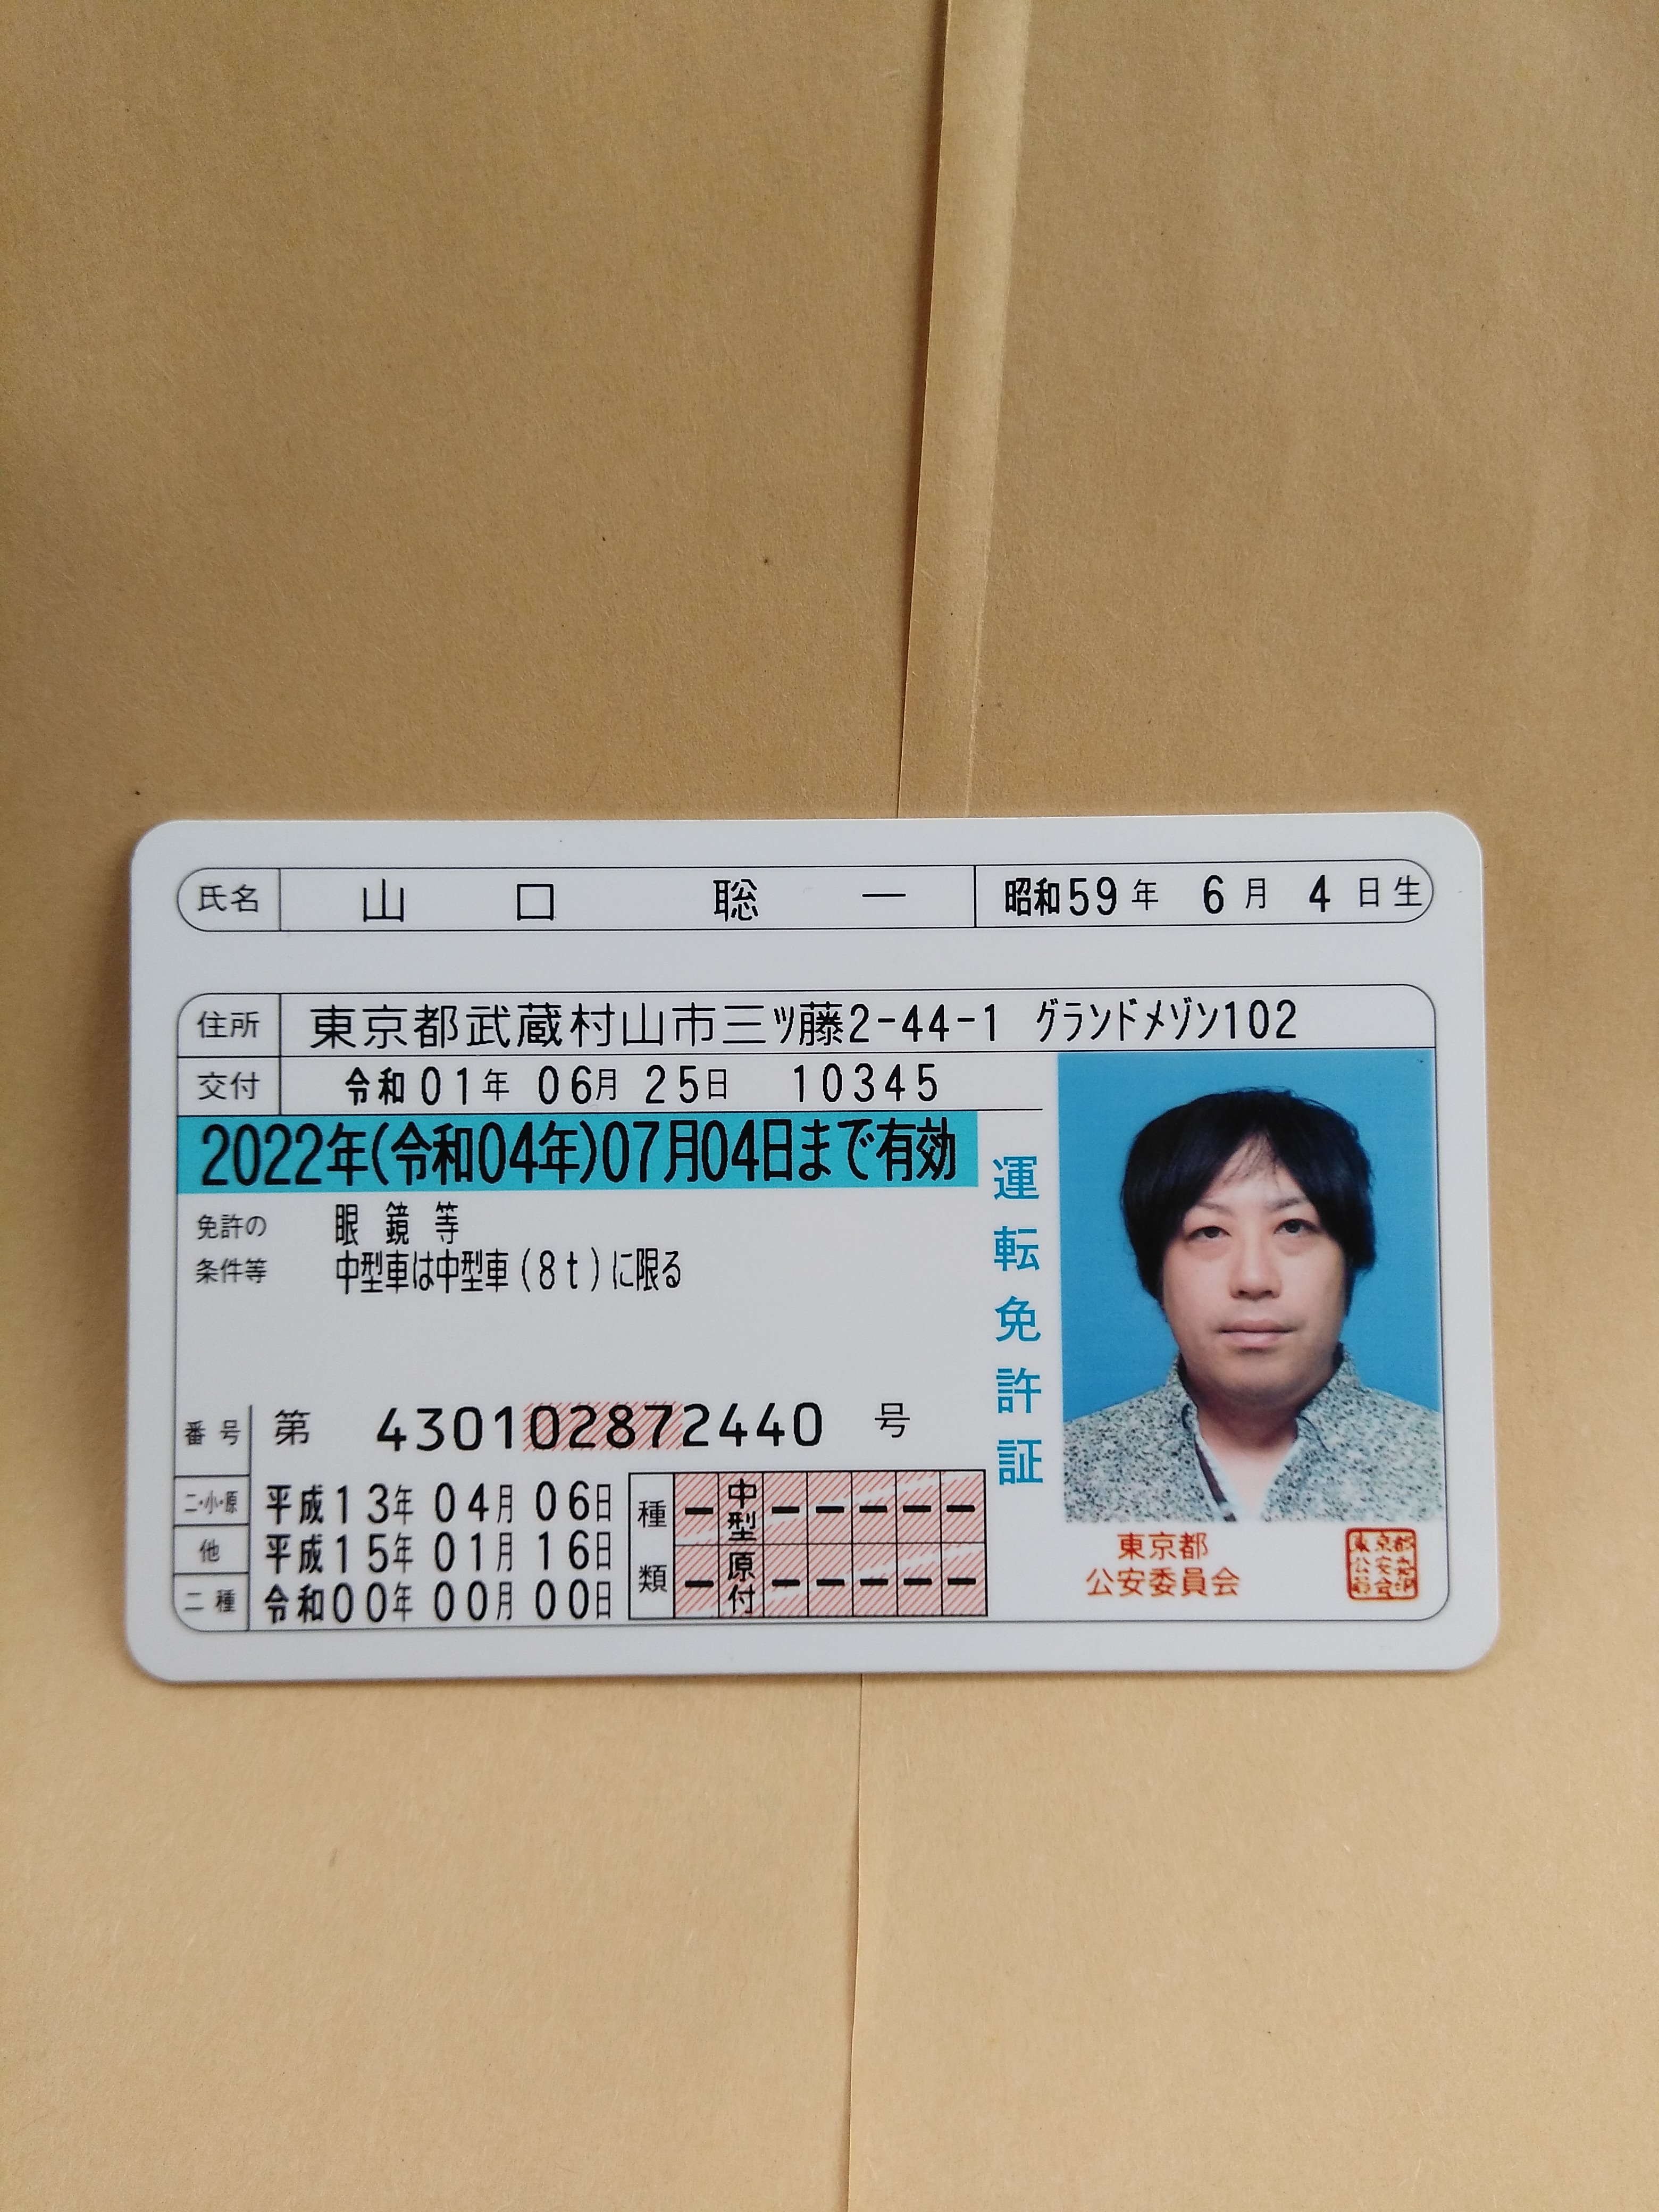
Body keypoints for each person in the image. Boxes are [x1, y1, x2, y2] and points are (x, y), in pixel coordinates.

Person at [1063, 1089, 1443, 1522]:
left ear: (1350, 1260)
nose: (1254, 1279)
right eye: (1210, 1232)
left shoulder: (1448, 1462)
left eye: (1293, 1227)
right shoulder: (1067, 1472)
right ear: (1156, 1273)